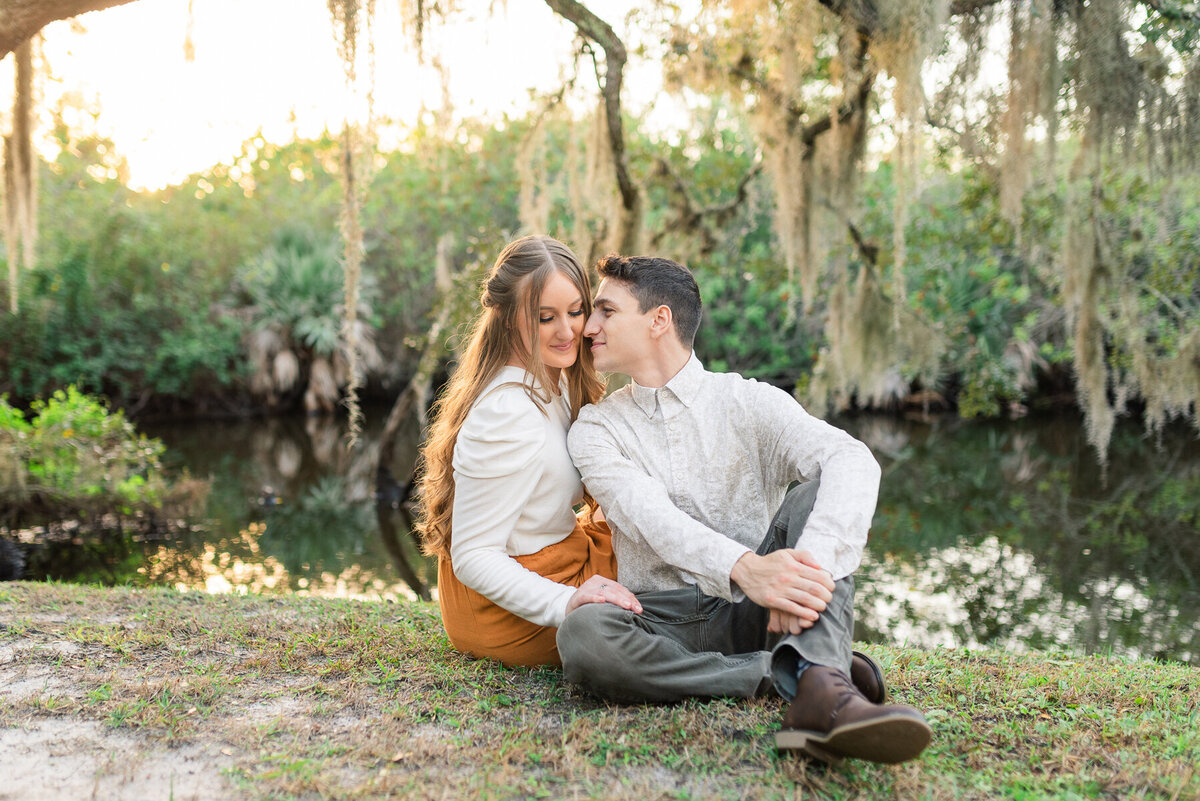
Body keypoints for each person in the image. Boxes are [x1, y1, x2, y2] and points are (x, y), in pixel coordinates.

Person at [557, 254, 932, 765]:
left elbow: (851, 458)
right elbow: (651, 518)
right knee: (584, 635)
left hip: (759, 611)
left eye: (605, 312)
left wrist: (802, 570)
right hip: (659, 618)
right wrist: (745, 569)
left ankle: (821, 691)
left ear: (658, 320)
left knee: (819, 490)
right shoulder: (596, 430)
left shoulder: (748, 402)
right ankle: (795, 672)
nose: (589, 327)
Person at [415, 235, 641, 668]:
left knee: (651, 515)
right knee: (663, 561)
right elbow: (474, 556)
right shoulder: (506, 414)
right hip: (504, 608)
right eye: (545, 317)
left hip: (554, 555)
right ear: (506, 320)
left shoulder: (550, 380)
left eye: (576, 311)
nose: (568, 330)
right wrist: (569, 600)